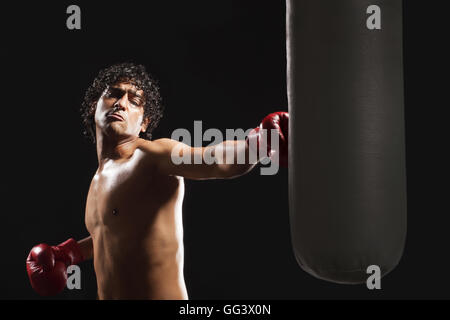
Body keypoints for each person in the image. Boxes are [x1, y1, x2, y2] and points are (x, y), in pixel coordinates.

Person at [26, 62, 288, 299]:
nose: (122, 103)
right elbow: (114, 232)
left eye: (134, 100)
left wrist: (256, 145)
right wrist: (69, 253)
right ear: (96, 105)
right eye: (114, 94)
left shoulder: (151, 155)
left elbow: (213, 159)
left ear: (144, 123)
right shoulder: (97, 181)